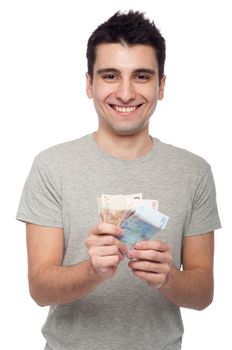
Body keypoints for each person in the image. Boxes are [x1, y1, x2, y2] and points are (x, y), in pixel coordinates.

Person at [16, 10, 221, 350]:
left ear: (162, 85)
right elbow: (39, 289)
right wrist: (90, 272)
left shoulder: (194, 171)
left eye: (141, 76)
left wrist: (168, 277)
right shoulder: (51, 166)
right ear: (89, 84)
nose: (125, 93)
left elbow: (203, 294)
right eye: (110, 75)